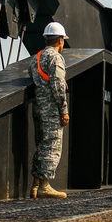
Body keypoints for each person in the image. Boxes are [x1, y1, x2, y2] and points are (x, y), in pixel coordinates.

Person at [28, 22, 70, 199]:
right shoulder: (56, 58)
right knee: (52, 146)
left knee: (42, 145)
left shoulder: (36, 58)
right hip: (52, 108)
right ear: (60, 40)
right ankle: (45, 186)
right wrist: (64, 110)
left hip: (38, 107)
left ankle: (36, 186)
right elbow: (58, 85)